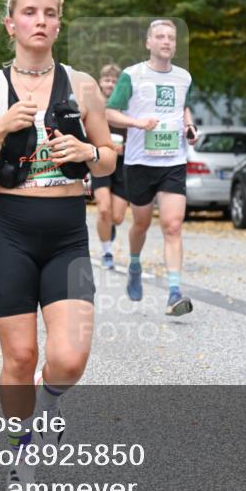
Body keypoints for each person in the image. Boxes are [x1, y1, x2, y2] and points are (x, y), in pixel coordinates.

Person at [0, 0, 116, 491]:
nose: (40, 21)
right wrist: (0, 128)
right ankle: (21, 451)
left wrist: (89, 154)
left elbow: (110, 154)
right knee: (21, 357)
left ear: (59, 22)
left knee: (69, 359)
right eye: (29, 12)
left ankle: (48, 406)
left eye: (49, 13)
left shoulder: (83, 84)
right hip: (11, 232)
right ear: (11, 23)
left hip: (67, 234)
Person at [105, 19, 199, 316]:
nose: (167, 41)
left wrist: (189, 126)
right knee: (142, 223)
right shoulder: (132, 75)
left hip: (173, 161)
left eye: (171, 37)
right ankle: (134, 263)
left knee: (172, 225)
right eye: (160, 36)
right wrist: (136, 123)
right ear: (148, 43)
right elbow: (110, 112)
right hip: (139, 162)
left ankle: (174, 292)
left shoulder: (184, 77)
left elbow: (184, 107)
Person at [90, 63, 129, 269]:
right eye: (107, 80)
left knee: (117, 217)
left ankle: (109, 229)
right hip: (101, 161)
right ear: (100, 82)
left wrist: (126, 147)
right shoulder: (94, 106)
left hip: (122, 164)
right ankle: (106, 253)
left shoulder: (127, 106)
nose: (110, 84)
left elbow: (138, 134)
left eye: (114, 81)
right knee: (104, 210)